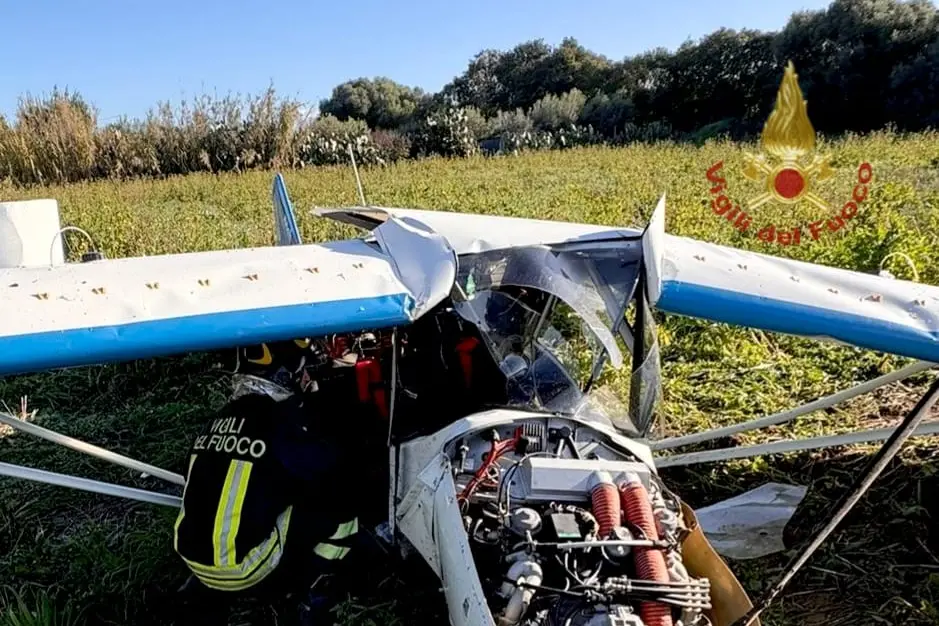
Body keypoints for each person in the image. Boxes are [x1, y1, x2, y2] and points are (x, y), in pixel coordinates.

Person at [173, 338, 367, 625]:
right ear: (285, 372)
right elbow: (328, 467)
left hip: (190, 555)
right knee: (343, 506)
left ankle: (203, 587)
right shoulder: (281, 421)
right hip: (243, 569)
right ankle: (317, 594)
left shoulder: (220, 419)